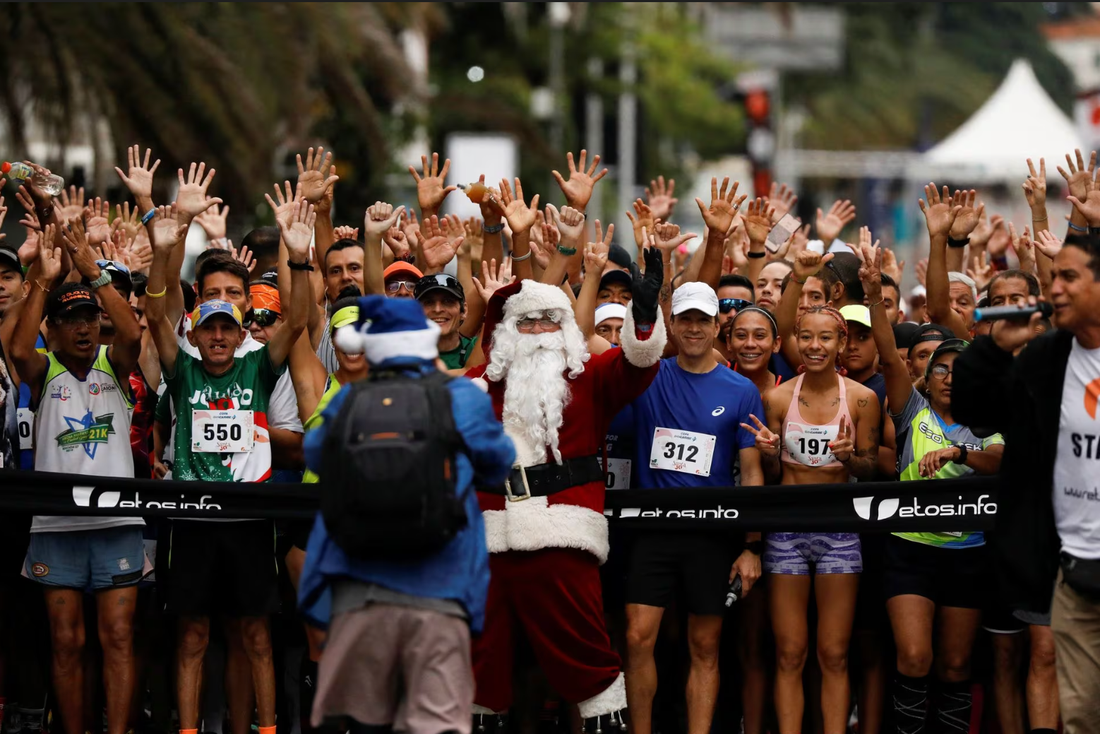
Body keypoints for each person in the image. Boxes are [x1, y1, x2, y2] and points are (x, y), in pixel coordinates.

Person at [464, 246, 667, 729]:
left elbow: (639, 365)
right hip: (489, 542)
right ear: (508, 333)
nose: (537, 333)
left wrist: (643, 315)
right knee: (478, 661)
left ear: (567, 329)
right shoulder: (476, 386)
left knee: (587, 658)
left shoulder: (591, 377)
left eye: (549, 322)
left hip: (563, 539)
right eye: (526, 323)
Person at [296, 295, 515, 734]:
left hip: (358, 595)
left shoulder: (347, 403)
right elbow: (500, 460)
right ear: (425, 344)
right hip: (441, 592)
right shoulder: (458, 399)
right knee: (434, 723)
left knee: (365, 723)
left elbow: (315, 456)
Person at [145, 201, 313, 734]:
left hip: (248, 523)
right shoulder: (182, 368)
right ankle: (190, 730)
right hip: (192, 521)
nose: (217, 337)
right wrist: (166, 249)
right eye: (208, 329)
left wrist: (301, 257)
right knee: (192, 636)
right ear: (194, 335)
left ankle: (265, 729)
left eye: (227, 329)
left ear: (241, 334)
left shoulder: (259, 365)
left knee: (257, 637)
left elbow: (302, 319)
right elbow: (153, 313)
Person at [953, 226, 1100, 734]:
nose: (1053, 288)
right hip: (1072, 571)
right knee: (1080, 714)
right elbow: (975, 413)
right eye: (1052, 277)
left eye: (1068, 277)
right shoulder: (1047, 357)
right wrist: (992, 350)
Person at [858, 245, 1004, 734]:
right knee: (915, 656)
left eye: (960, 371)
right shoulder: (912, 411)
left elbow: (1002, 461)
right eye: (939, 369)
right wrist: (875, 296)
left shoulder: (987, 423)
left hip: (968, 552)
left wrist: (960, 454)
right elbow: (886, 356)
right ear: (927, 376)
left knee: (956, 666)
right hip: (910, 551)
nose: (948, 378)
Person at [10, 220, 145, 734]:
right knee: (67, 642)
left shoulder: (115, 364)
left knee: (118, 638)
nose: (85, 328)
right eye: (71, 320)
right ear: (52, 328)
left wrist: (94, 273)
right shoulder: (45, 371)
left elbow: (131, 331)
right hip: (54, 530)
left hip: (117, 527)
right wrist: (44, 280)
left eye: (90, 318)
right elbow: (19, 352)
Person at [623, 282, 765, 734]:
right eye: (685, 319)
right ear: (672, 322)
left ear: (717, 324)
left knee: (705, 645)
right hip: (652, 531)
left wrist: (752, 547)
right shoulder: (647, 376)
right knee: (637, 638)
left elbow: (752, 471)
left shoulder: (741, 390)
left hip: (711, 534)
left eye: (703, 320)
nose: (694, 328)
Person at [742, 304, 880, 734]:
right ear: (795, 340)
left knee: (834, 653)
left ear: (842, 344)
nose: (815, 346)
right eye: (807, 336)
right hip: (787, 531)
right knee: (789, 653)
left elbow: (873, 469)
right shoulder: (778, 398)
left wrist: (851, 458)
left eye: (826, 338)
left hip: (840, 530)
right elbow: (773, 476)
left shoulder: (862, 399)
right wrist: (769, 455)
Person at [414, 273, 477, 370]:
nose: (438, 309)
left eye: (448, 301)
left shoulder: (476, 349)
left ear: (463, 310)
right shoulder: (406, 353)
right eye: (428, 302)